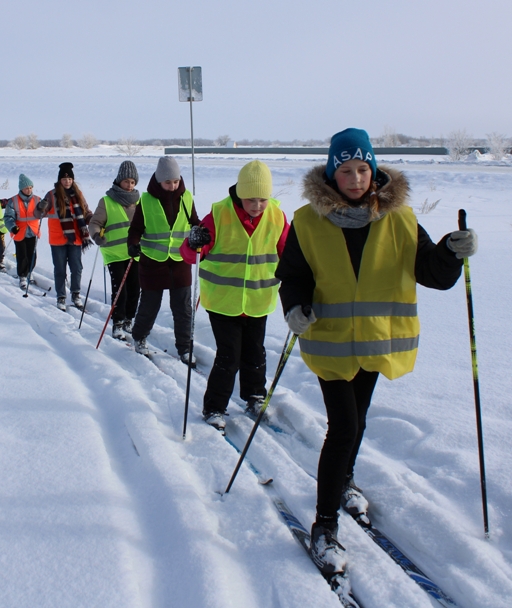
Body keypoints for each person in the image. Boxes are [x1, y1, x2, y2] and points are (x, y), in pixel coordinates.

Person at [275, 128, 478, 574]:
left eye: (362, 168)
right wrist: (295, 306)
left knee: (359, 420)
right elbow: (292, 274)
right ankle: (324, 527)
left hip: (373, 343)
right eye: (345, 170)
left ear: (374, 170)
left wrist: (450, 251)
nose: (355, 178)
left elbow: (433, 273)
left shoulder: (401, 219)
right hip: (329, 344)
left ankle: (344, 481)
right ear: (332, 173)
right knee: (343, 427)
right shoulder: (307, 221)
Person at [180, 160, 290, 432]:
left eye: (263, 199)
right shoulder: (218, 215)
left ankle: (254, 396)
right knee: (229, 355)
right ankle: (214, 407)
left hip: (258, 301)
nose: (257, 205)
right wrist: (193, 242)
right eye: (251, 199)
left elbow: (289, 255)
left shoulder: (277, 216)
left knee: (255, 352)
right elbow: (188, 255)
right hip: (223, 302)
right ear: (239, 193)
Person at [127, 156, 199, 365]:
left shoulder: (186, 197)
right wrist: (132, 243)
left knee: (183, 308)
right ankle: (139, 338)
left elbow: (195, 223)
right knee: (150, 305)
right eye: (168, 182)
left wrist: (200, 234)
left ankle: (185, 348)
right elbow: (136, 229)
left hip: (179, 260)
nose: (172, 186)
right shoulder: (147, 200)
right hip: (152, 261)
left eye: (175, 181)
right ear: (159, 180)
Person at [89, 160, 142, 339]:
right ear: (119, 181)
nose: (129, 185)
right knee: (121, 290)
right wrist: (96, 235)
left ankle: (129, 319)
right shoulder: (107, 201)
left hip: (135, 253)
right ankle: (117, 322)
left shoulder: (140, 201)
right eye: (126, 181)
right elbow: (95, 223)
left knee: (135, 289)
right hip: (114, 253)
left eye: (133, 182)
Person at [36, 162, 93, 311]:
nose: (67, 181)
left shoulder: (78, 194)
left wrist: (94, 221)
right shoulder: (52, 195)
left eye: (69, 179)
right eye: (64, 179)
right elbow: (38, 214)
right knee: (60, 269)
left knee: (77, 268)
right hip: (58, 239)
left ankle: (75, 294)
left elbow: (86, 212)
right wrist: (40, 208)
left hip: (76, 238)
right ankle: (61, 297)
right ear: (60, 180)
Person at [4, 174, 42, 289]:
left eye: (30, 187)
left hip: (32, 232)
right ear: (21, 189)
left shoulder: (37, 200)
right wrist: (12, 226)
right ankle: (22, 276)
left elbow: (44, 211)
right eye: (26, 188)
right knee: (22, 255)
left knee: (32, 255)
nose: (29, 190)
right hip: (19, 232)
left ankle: (30, 272)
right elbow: (8, 217)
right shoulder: (13, 201)